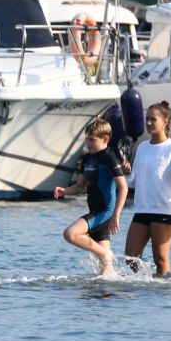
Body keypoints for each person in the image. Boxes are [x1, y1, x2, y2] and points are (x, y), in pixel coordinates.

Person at [55, 118, 127, 276]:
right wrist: (64, 191)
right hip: (95, 212)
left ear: (105, 139)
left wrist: (116, 215)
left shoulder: (109, 158)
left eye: (92, 140)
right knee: (105, 273)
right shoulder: (87, 159)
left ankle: (105, 253)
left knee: (70, 234)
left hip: (105, 212)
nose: (88, 143)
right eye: (87, 139)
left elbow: (123, 187)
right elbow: (80, 186)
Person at [124, 103, 171, 275]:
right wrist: (126, 172)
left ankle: (164, 296)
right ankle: (146, 283)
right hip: (142, 209)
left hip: (164, 211)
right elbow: (133, 181)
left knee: (160, 259)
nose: (149, 123)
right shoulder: (142, 147)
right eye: (147, 119)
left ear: (165, 121)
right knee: (130, 258)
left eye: (153, 119)